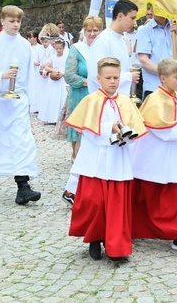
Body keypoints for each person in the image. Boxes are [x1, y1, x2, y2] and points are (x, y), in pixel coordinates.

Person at [65, 57, 147, 261]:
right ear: (98, 78)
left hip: (117, 159)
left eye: (116, 77)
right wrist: (108, 128)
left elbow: (135, 129)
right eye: (108, 77)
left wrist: (125, 136)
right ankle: (94, 237)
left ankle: (116, 246)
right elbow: (86, 130)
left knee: (116, 205)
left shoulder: (125, 101)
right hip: (96, 160)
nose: (112, 81)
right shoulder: (91, 100)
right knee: (96, 202)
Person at [132, 58, 177, 255]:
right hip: (156, 155)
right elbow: (155, 126)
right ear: (163, 78)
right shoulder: (154, 99)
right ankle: (136, 227)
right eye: (176, 77)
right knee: (149, 193)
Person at [0, 5, 41, 205]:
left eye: (18, 21)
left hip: (18, 101)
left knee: (22, 141)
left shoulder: (24, 45)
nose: (16, 25)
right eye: (12, 21)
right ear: (2, 21)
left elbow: (29, 74)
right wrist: (1, 76)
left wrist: (29, 99)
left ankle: (23, 186)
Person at [63, 16, 102, 164]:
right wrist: (90, 82)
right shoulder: (77, 49)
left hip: (100, 95)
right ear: (84, 32)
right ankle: (79, 162)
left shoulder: (103, 48)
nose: (92, 34)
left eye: (96, 30)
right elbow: (70, 76)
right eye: (89, 30)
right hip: (81, 95)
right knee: (81, 131)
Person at [86, 0, 140, 96]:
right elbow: (97, 74)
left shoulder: (121, 40)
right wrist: (129, 77)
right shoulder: (103, 40)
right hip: (105, 101)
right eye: (132, 18)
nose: (135, 23)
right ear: (120, 16)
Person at [136, 10, 177, 100]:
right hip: (154, 87)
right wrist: (167, 73)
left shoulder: (176, 26)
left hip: (175, 88)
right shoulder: (145, 30)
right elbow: (143, 60)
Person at [38, 39, 67, 125]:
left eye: (60, 49)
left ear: (63, 48)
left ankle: (61, 118)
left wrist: (62, 73)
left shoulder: (66, 57)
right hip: (53, 79)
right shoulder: (53, 57)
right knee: (52, 97)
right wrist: (53, 70)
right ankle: (50, 117)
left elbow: (68, 68)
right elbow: (46, 67)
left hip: (62, 79)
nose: (58, 50)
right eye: (56, 48)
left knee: (62, 97)